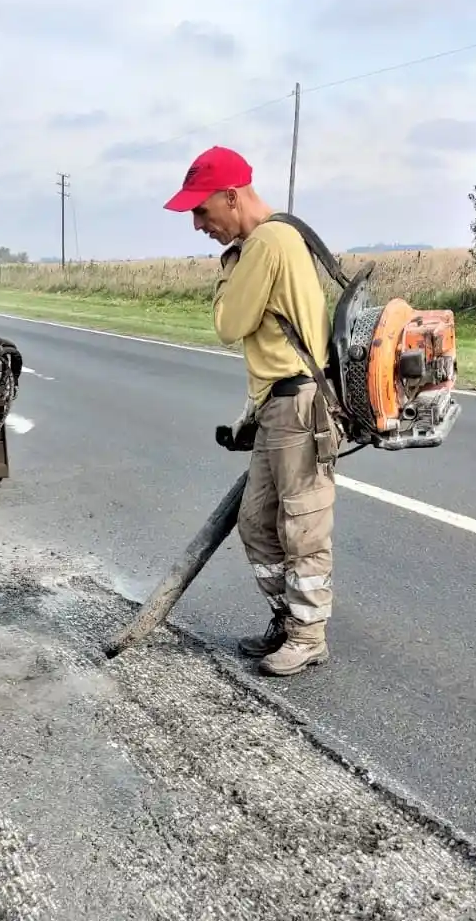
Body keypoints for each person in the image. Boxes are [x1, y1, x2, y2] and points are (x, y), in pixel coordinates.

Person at [163, 145, 338, 677]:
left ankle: (307, 635)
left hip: (297, 405)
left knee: (301, 524)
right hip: (276, 404)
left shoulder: (264, 243)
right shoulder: (273, 238)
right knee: (257, 521)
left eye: (202, 210)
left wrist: (227, 267)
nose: (198, 225)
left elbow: (228, 324)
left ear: (232, 196)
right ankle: (286, 621)